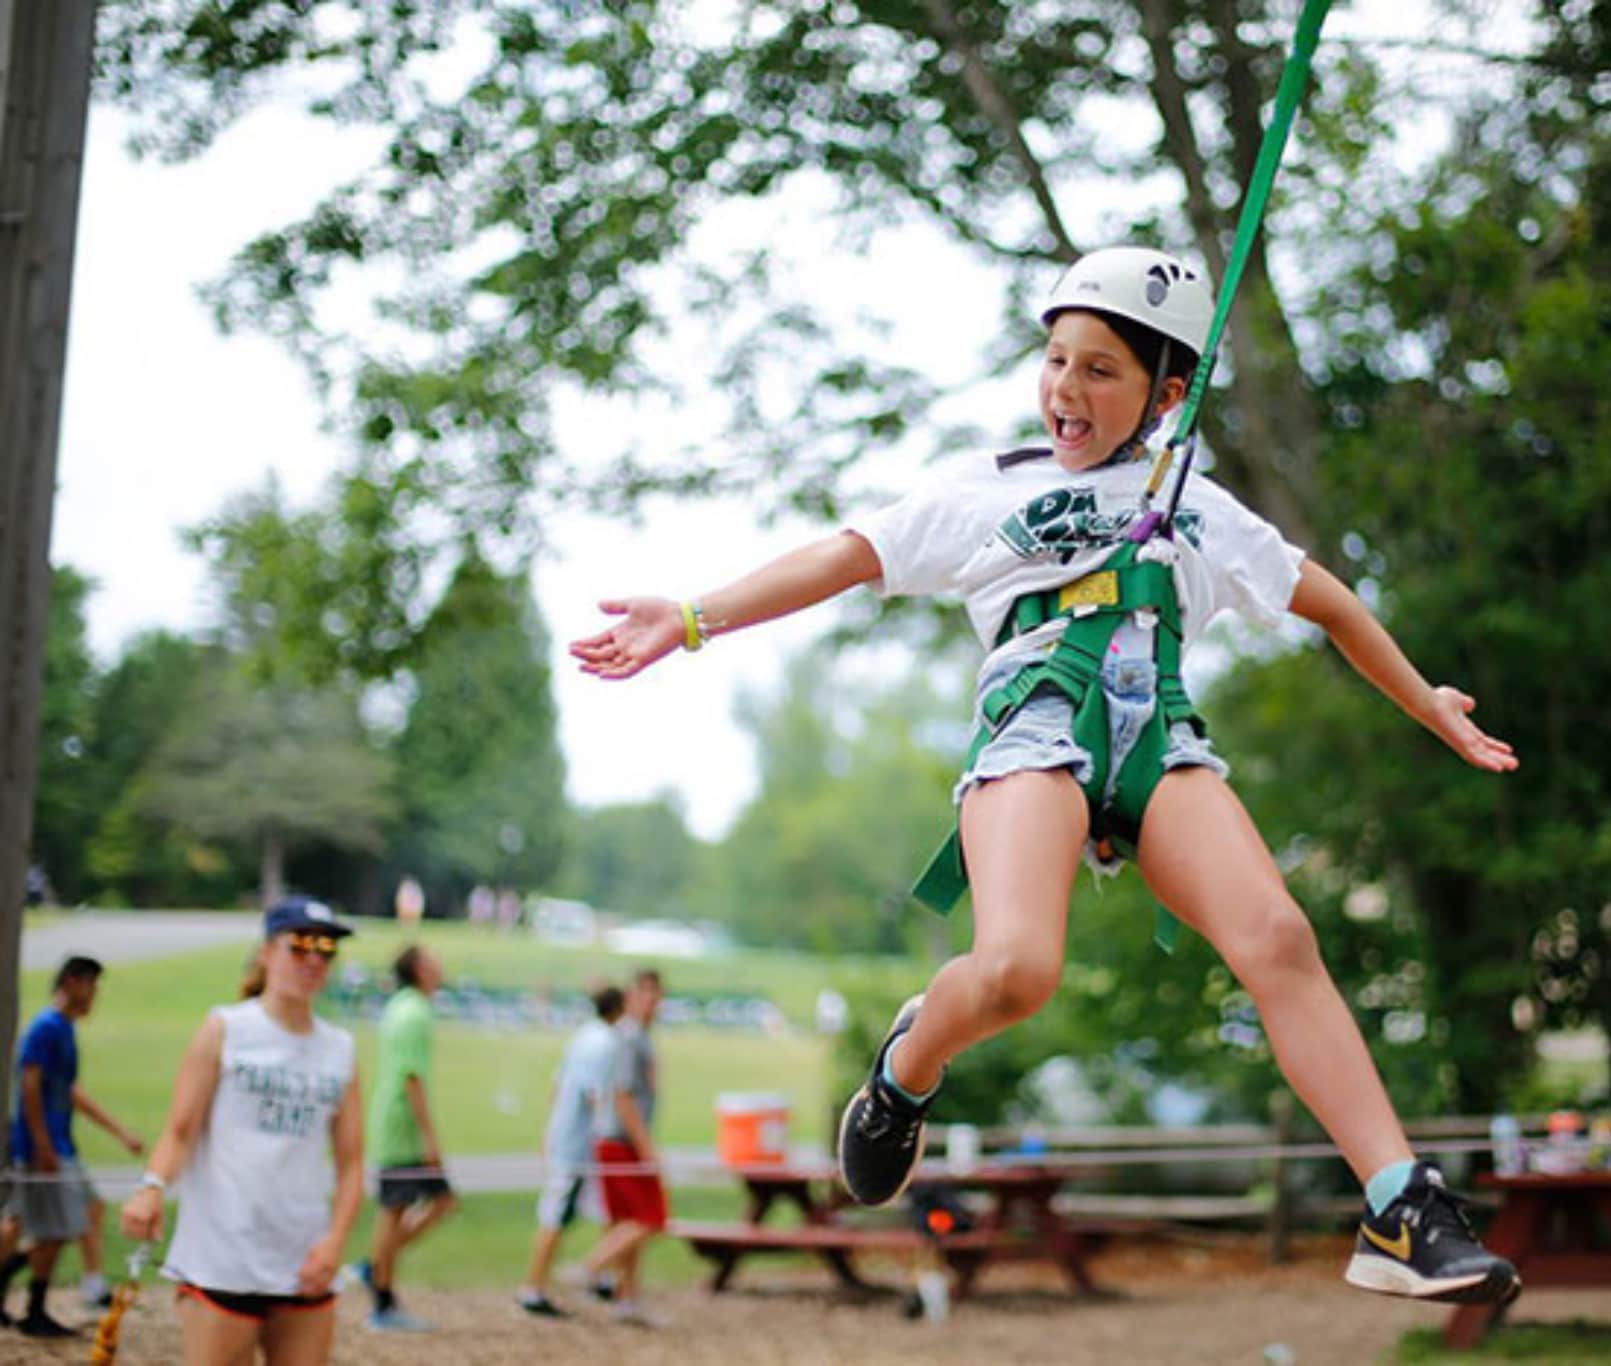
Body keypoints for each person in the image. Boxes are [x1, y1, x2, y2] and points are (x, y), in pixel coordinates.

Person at [571, 246, 1524, 1306]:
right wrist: (693, 618)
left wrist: (1425, 699)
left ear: (1166, 394)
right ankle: (903, 1070)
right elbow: (844, 556)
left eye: (1100, 370)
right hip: (1036, 723)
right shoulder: (993, 487)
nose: (1065, 388)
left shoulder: (1196, 506)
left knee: (1278, 937)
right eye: (1056, 359)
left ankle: (1396, 1206)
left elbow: (1332, 603)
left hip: (1158, 733)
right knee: (1018, 970)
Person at [120, 896, 364, 1365]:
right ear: (266, 952)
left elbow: (352, 1161)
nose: (314, 958)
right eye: (299, 945)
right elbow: (180, 1131)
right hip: (224, 1254)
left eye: (327, 948)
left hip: (303, 1258)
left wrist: (334, 1242)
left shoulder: (340, 1049)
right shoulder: (226, 1029)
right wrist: (151, 1187)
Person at [3, 954, 145, 1337]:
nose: (95, 994)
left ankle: (35, 1299)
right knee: (58, 1228)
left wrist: (118, 1132)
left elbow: (67, 1091)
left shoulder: (63, 1029)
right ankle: (31, 1306)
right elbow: (29, 1083)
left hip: (60, 1144)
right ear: (71, 982)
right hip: (45, 1146)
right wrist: (41, 1143)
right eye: (91, 985)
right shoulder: (47, 1028)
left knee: (71, 1216)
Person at [359, 944, 458, 1332]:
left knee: (433, 1203)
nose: (440, 963)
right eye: (433, 958)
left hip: (395, 1124)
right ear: (419, 968)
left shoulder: (403, 1006)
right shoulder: (414, 1011)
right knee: (403, 1208)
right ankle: (379, 1287)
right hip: (401, 1129)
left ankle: (377, 1268)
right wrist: (430, 1139)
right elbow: (411, 1077)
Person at [515, 984, 624, 1318]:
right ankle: (532, 1288)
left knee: (608, 1207)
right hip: (578, 1146)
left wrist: (549, 1131)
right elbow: (596, 1096)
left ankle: (603, 1277)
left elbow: (558, 1084)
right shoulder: (606, 1042)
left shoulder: (584, 1035)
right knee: (557, 1214)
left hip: (568, 1138)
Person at [574, 969, 665, 1323]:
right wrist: (646, 1147)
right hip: (621, 1142)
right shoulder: (629, 1038)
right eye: (644, 994)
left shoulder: (636, 1036)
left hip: (618, 1140)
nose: (651, 1002)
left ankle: (626, 1297)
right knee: (650, 1218)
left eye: (655, 995)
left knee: (627, 1221)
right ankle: (592, 1267)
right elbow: (622, 1096)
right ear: (630, 996)